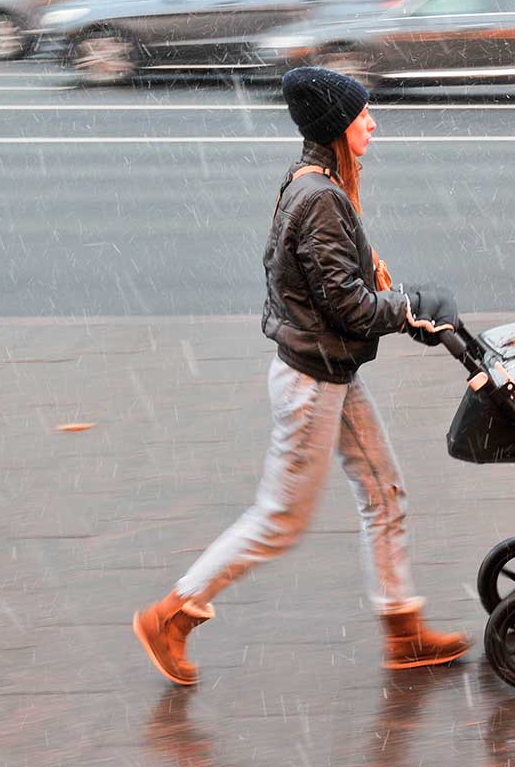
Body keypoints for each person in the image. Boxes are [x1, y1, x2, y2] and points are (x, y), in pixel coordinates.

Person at [133, 67, 469, 685]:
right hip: (313, 384)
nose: (373, 122)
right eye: (363, 113)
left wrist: (407, 308)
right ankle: (171, 615)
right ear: (337, 125)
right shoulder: (318, 198)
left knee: (384, 492)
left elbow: (337, 293)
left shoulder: (317, 183)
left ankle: (403, 631)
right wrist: (412, 307)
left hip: (329, 370)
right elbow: (349, 306)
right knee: (280, 519)